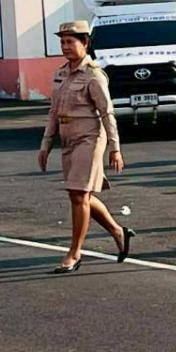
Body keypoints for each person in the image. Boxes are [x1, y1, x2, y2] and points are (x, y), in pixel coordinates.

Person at [38, 21, 131, 274]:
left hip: (89, 138)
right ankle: (118, 231)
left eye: (70, 42)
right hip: (68, 139)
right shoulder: (60, 73)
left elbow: (107, 112)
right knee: (81, 195)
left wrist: (115, 147)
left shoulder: (93, 74)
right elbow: (53, 111)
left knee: (78, 195)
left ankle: (74, 253)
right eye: (62, 42)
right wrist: (46, 144)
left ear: (85, 43)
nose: (65, 47)